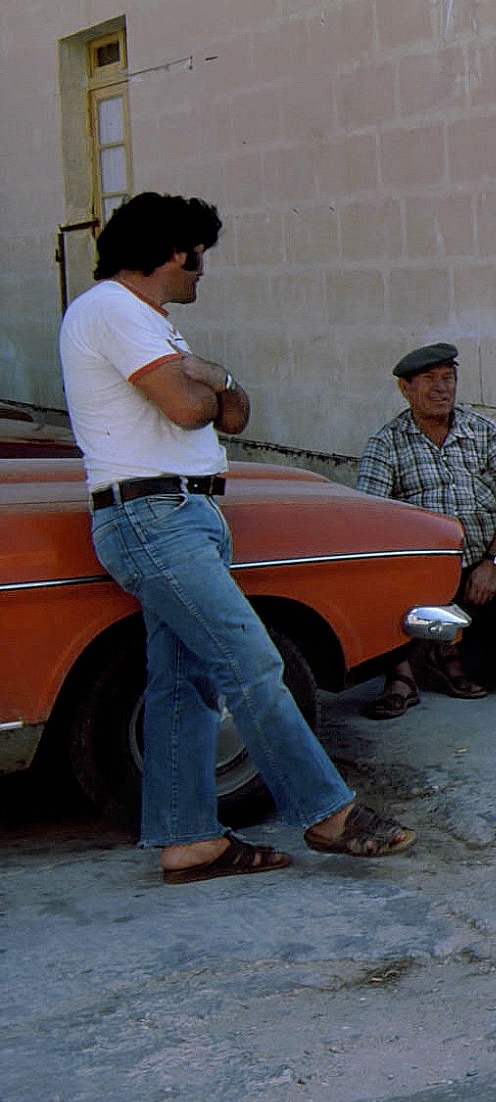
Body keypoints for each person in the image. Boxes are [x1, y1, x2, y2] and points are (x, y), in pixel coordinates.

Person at [59, 192, 415, 883]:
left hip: (178, 515)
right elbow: (193, 408)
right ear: (171, 250)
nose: (202, 271)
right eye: (199, 256)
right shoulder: (111, 311)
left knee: (181, 681)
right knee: (252, 665)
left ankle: (189, 840)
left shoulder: (151, 323)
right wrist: (211, 385)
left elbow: (235, 408)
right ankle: (325, 811)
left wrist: (219, 379)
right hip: (152, 517)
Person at [355, 342, 496, 717]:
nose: (442, 389)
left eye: (448, 378)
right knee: (371, 587)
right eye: (429, 380)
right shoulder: (385, 444)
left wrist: (493, 564)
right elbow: (371, 524)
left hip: (478, 566)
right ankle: (402, 675)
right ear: (405, 388)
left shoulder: (483, 432)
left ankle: (457, 653)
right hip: (420, 574)